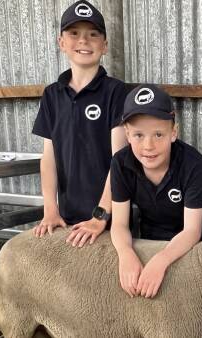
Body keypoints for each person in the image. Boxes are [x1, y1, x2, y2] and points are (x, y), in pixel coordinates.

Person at [31, 0, 128, 245]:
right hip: (66, 219)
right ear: (61, 42)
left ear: (104, 45)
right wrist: (50, 209)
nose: (83, 41)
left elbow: (120, 160)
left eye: (93, 34)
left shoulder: (116, 92)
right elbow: (49, 157)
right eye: (74, 33)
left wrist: (101, 215)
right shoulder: (52, 95)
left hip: (110, 219)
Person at [110, 84, 202, 299]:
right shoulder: (121, 163)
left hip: (197, 244)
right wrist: (126, 253)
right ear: (127, 134)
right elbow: (120, 224)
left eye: (158, 134)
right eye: (139, 135)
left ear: (173, 133)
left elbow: (192, 231)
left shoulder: (192, 164)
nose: (148, 145)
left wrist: (161, 261)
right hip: (151, 240)